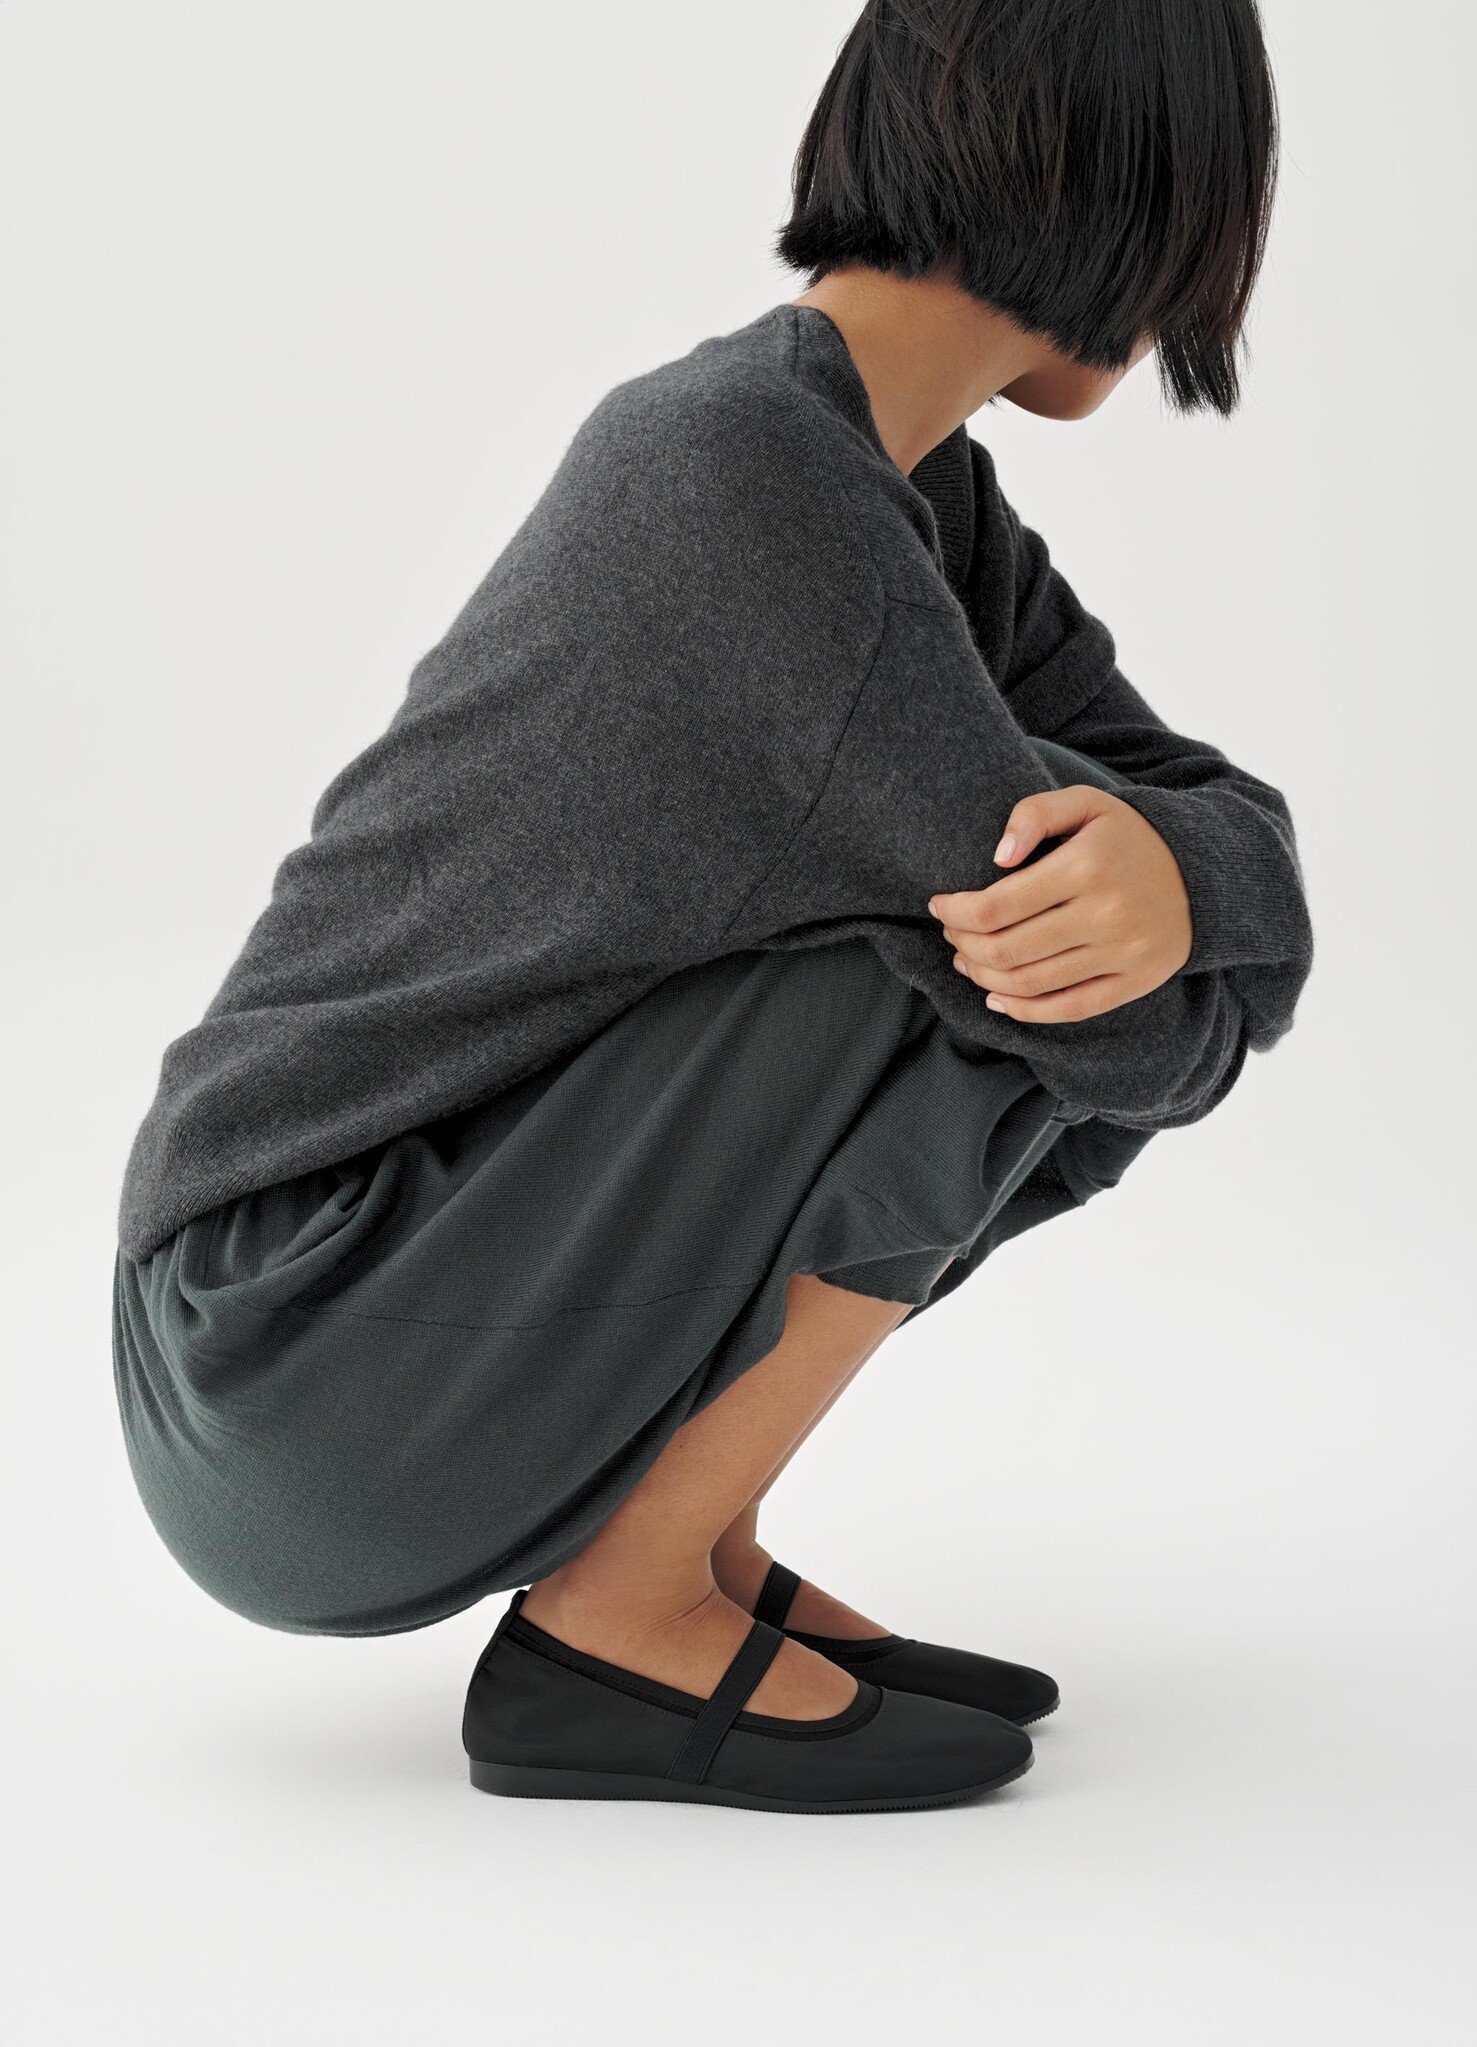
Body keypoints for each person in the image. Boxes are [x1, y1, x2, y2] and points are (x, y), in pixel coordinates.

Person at [112, 0, 1314, 1814]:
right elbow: (1114, 1004)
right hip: (293, 1351)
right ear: (1117, 177)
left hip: (331, 1328)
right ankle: (621, 1613)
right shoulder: (751, 478)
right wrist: (1179, 919)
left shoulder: (902, 488)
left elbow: (1207, 819)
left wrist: (1184, 875)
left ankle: (692, 1545)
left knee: (982, 927)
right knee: (981, 968)